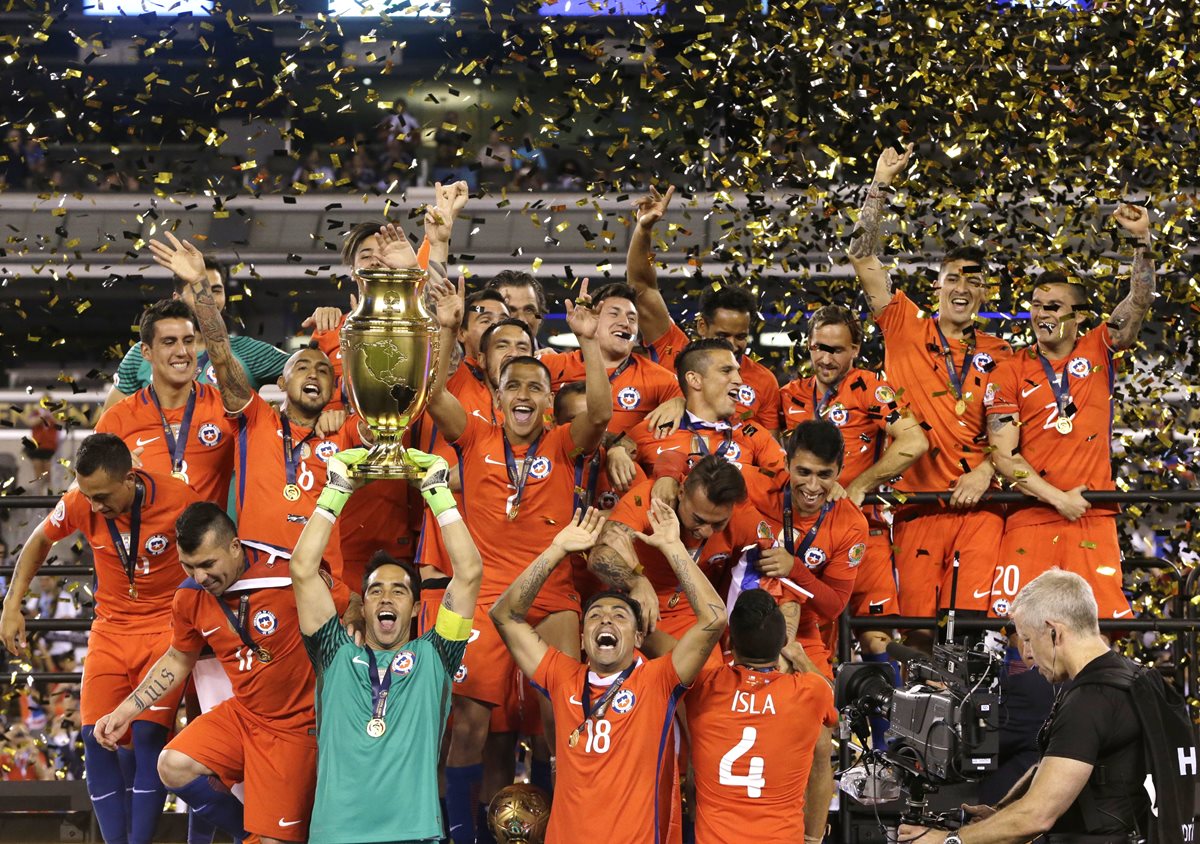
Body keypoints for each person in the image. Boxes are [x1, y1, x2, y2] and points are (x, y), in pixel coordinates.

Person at [425, 276, 610, 843]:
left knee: (562, 718)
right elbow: (431, 396)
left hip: (551, 599)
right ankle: (464, 836)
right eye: (514, 385)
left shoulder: (561, 444)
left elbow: (600, 414)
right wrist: (450, 330)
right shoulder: (476, 437)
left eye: (536, 385)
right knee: (469, 726)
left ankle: (567, 830)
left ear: (548, 401)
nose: (525, 393)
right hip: (484, 601)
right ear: (498, 397)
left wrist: (589, 343)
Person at [93, 501, 354, 844]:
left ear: (234, 546)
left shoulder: (289, 575)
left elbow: (351, 605)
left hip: (295, 726)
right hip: (244, 716)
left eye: (207, 564)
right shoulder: (189, 597)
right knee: (172, 764)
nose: (200, 577)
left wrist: (354, 636)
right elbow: (178, 659)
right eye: (188, 566)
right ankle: (251, 836)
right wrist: (125, 711)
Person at [0, 433, 200, 844]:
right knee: (95, 739)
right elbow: (40, 540)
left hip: (165, 630)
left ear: (130, 477)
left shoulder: (180, 498)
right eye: (87, 496)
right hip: (109, 630)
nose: (93, 507)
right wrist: (11, 604)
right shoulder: (80, 501)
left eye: (103, 496)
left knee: (146, 738)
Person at [490, 500, 728, 844]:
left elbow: (714, 619)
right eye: (596, 615)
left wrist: (674, 548)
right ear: (584, 640)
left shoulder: (658, 681)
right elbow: (504, 616)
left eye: (620, 616)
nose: (606, 619)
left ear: (639, 636)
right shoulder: (561, 677)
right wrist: (556, 550)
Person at [847, 144, 1012, 629]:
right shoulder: (903, 323)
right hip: (916, 511)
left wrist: (985, 471)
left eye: (974, 280)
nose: (963, 287)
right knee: (916, 635)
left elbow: (1013, 433)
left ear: (984, 292)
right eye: (952, 278)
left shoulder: (1005, 355)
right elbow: (863, 257)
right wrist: (879, 186)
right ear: (936, 287)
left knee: (972, 632)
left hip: (980, 508)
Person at [149, 231, 372, 588]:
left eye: (323, 370)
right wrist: (199, 286)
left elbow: (387, 410)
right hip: (255, 581)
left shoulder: (344, 431)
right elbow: (220, 352)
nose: (313, 372)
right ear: (280, 383)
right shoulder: (255, 420)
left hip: (323, 584)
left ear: (333, 388)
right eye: (301, 367)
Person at [295, 447, 482, 844]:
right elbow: (303, 569)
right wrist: (336, 491)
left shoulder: (436, 655)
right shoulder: (334, 653)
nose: (385, 598)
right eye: (375, 590)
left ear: (416, 608)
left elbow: (468, 573)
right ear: (362, 605)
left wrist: (436, 491)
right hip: (336, 834)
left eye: (398, 591)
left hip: (412, 834)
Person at [984, 204, 1154, 619]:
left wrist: (1143, 241)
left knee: (1099, 628)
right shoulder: (1009, 371)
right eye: (1037, 305)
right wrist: (1058, 499)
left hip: (1091, 517)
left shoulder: (1099, 346)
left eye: (1054, 307)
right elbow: (1003, 456)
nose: (1042, 314)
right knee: (1020, 630)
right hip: (1031, 516)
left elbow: (1140, 300)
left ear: (1077, 316)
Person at [898, 570, 1149, 844]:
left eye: (1028, 639)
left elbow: (1037, 816)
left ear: (1055, 632)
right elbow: (1051, 767)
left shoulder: (1091, 699)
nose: (1026, 654)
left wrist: (948, 840)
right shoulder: (1133, 677)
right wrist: (1000, 813)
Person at [779, 304, 928, 656]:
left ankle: (886, 712)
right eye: (819, 348)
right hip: (801, 537)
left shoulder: (870, 387)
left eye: (837, 350)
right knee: (805, 637)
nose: (826, 359)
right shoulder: (790, 395)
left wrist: (859, 485)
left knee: (875, 639)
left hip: (862, 530)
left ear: (855, 350)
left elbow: (914, 440)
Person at [752, 419, 869, 843]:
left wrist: (794, 568)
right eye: (803, 472)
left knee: (821, 744)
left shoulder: (850, 524)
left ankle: (811, 840)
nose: (812, 485)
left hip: (806, 636)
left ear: (840, 472)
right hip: (739, 630)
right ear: (787, 463)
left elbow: (836, 603)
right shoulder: (756, 491)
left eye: (825, 475)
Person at [685, 589, 837, 843]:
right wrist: (800, 657)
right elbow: (831, 698)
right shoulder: (811, 692)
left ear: (730, 643)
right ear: (784, 643)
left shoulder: (705, 683)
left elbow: (668, 649)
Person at [627, 186, 781, 434]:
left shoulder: (763, 382)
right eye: (722, 336)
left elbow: (769, 458)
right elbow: (642, 289)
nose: (733, 345)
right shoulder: (673, 351)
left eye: (740, 336)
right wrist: (643, 229)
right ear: (701, 326)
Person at [588, 454, 763, 637]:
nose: (706, 532)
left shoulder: (743, 516)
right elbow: (600, 555)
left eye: (718, 523)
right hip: (637, 609)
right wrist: (636, 581)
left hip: (697, 617)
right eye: (698, 520)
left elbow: (775, 565)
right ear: (681, 492)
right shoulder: (652, 500)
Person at [102, 255, 289, 412]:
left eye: (215, 290)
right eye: (198, 290)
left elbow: (312, 370)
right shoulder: (141, 354)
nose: (207, 299)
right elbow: (107, 429)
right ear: (177, 298)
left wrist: (319, 413)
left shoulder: (249, 351)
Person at [96, 299, 237, 505]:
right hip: (140, 535)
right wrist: (111, 474)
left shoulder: (226, 410)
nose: (182, 351)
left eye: (188, 341)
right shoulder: (117, 418)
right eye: (169, 342)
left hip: (207, 535)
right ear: (146, 352)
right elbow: (84, 486)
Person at [611, 338, 786, 498]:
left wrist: (741, 474)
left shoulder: (751, 432)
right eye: (727, 371)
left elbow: (784, 480)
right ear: (695, 380)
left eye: (738, 372)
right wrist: (615, 450)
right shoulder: (653, 429)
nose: (739, 380)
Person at [538, 281, 682, 437]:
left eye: (632, 319)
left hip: (626, 459)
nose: (625, 323)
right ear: (592, 317)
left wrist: (681, 401)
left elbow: (701, 403)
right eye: (614, 313)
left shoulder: (660, 379)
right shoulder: (549, 366)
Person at [485, 269, 547, 343]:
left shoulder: (559, 355)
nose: (522, 320)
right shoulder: (476, 354)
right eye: (510, 310)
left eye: (529, 310)